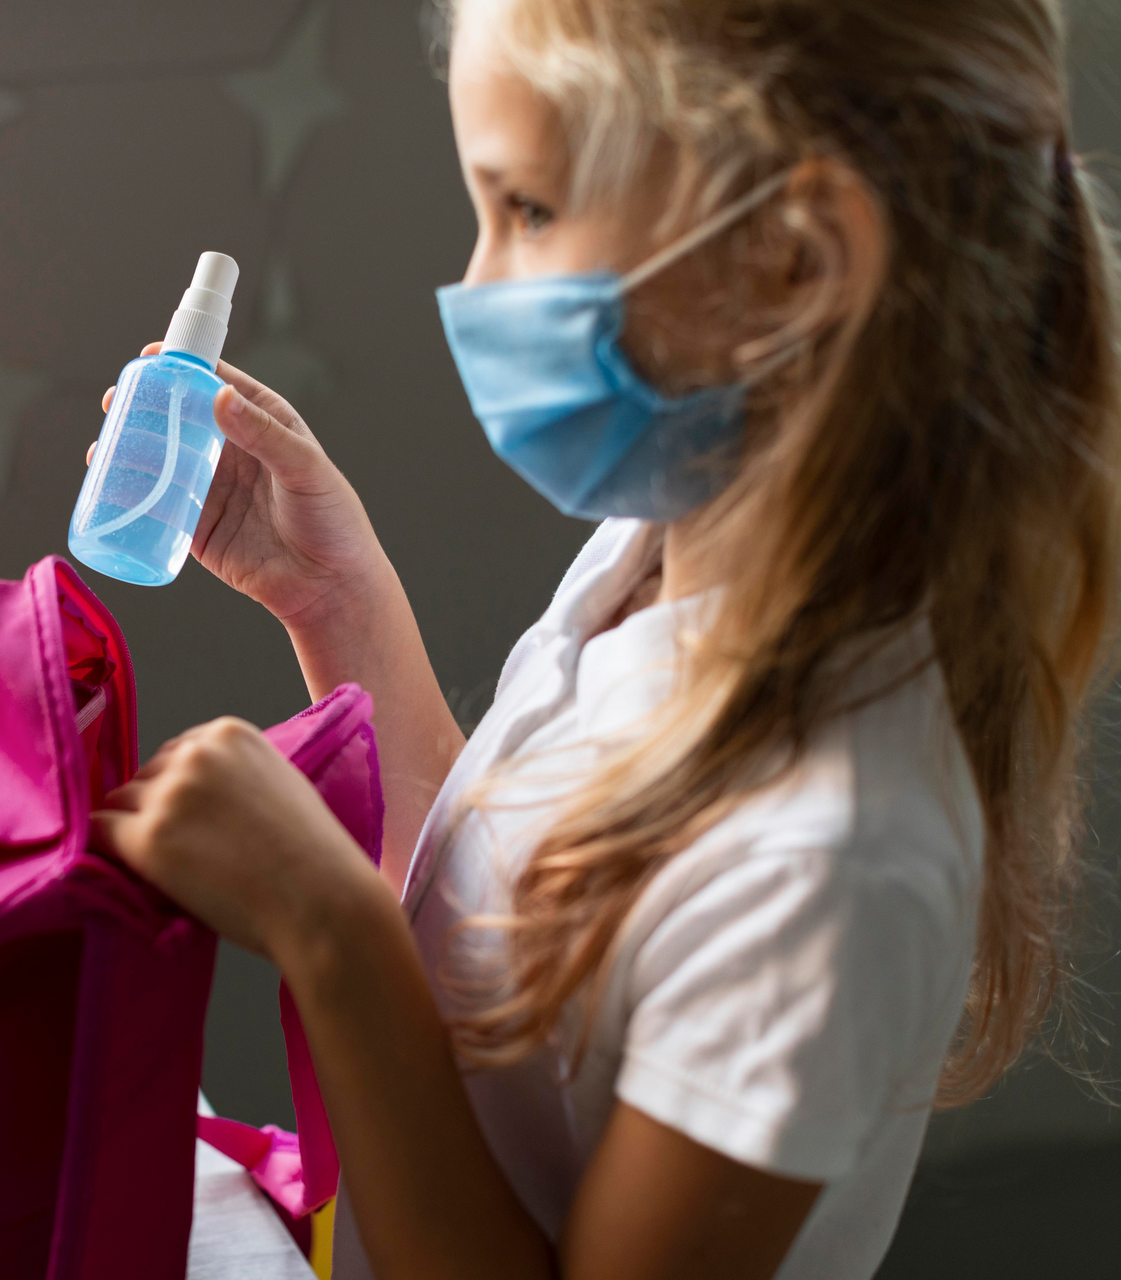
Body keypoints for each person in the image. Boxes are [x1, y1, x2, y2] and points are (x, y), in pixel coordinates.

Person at [87, 0, 1121, 1276]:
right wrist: (335, 604)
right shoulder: (662, 549)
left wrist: (328, 926)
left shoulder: (830, 868)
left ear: (795, 260)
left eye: (525, 210)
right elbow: (516, 927)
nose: (471, 282)